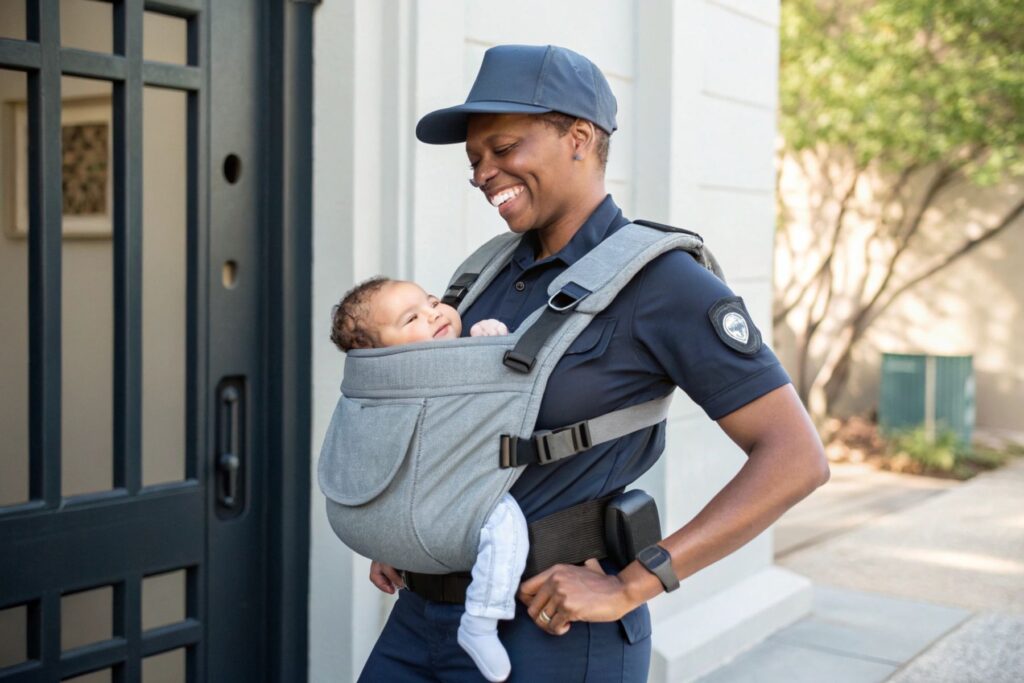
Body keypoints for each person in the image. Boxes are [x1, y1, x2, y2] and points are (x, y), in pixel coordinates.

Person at [359, 44, 830, 682]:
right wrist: (403, 525)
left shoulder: (665, 284)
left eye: (502, 149)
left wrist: (637, 582)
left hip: (551, 634)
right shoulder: (482, 273)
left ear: (579, 137)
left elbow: (795, 458)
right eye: (474, 160)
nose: (482, 174)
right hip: (420, 619)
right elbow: (445, 423)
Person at [330, 276, 525, 682]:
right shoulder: (385, 391)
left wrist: (488, 336)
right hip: (427, 496)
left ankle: (483, 618)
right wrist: (390, 543)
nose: (433, 313)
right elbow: (385, 472)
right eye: (411, 318)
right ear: (377, 354)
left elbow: (494, 372)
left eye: (431, 302)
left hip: (471, 487)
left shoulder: (460, 348)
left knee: (505, 525)